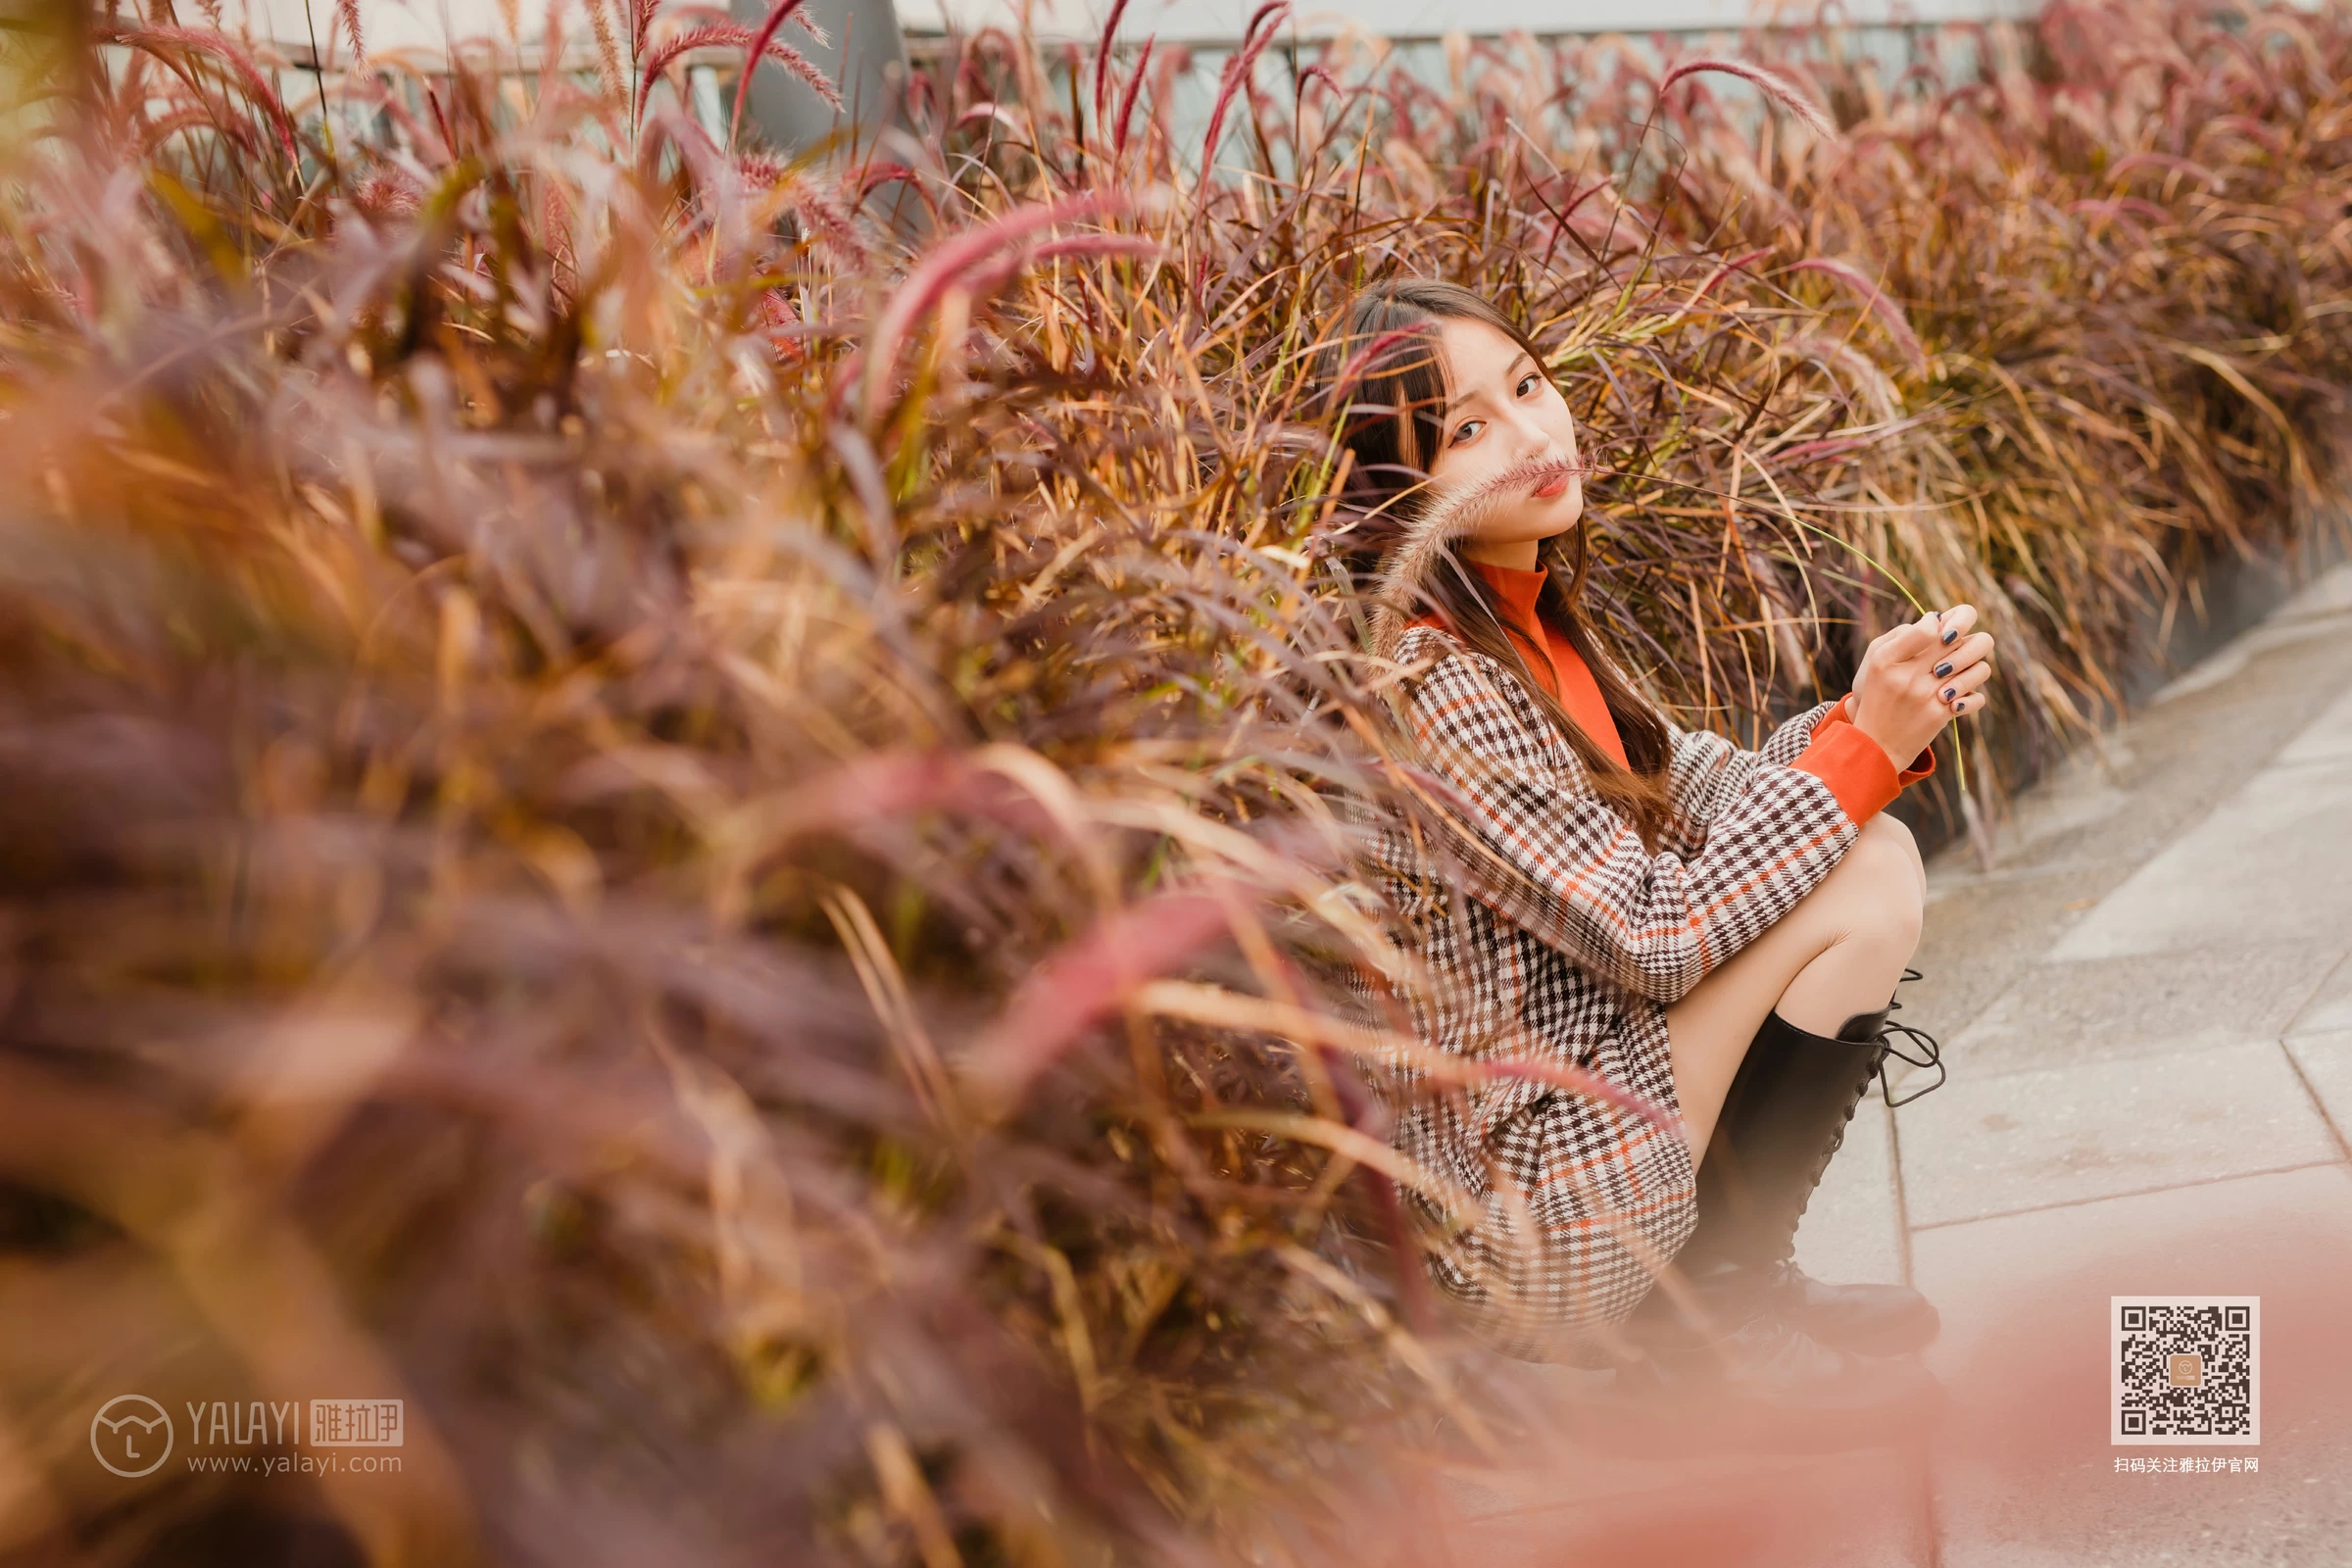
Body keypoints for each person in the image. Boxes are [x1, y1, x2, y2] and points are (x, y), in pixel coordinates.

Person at [1316, 278, 1994, 1432]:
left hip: (1590, 1125)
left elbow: (1719, 792)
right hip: (1527, 1214)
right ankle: (1704, 1324)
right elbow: (1656, 932)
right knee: (1864, 871)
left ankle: (1726, 1287)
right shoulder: (1438, 683)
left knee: (1864, 852)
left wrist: (1869, 720)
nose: (1532, 435)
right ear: (1396, 494)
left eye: (1529, 386)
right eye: (1467, 429)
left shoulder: (1519, 618)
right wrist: (1859, 754)